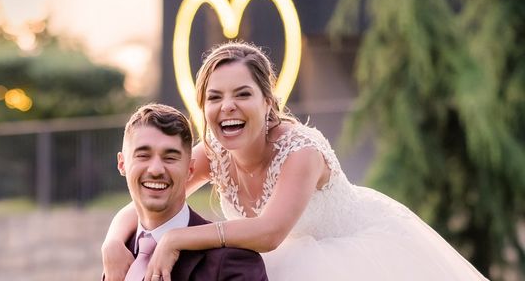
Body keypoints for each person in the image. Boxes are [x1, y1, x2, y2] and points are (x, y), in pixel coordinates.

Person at [103, 42, 489, 281]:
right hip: (279, 266)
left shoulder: (300, 150)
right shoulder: (217, 152)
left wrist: (177, 239)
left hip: (353, 259)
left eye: (242, 94)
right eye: (215, 98)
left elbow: (270, 232)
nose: (228, 107)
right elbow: (159, 192)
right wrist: (112, 242)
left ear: (267, 103)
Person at [108, 102, 268, 281]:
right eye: (143, 155)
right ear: (122, 164)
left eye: (170, 157)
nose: (155, 170)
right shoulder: (118, 253)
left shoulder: (232, 263)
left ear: (190, 170)